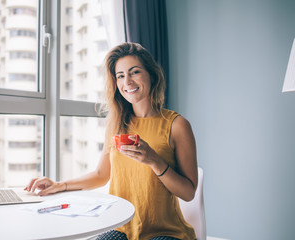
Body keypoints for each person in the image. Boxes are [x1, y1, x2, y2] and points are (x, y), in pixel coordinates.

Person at [24, 42, 198, 240]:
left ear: (152, 75)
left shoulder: (176, 125)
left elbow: (188, 193)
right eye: (120, 76)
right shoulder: (117, 125)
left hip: (164, 231)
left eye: (134, 72)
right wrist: (58, 184)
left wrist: (154, 161)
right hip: (121, 226)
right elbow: (101, 174)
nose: (127, 82)